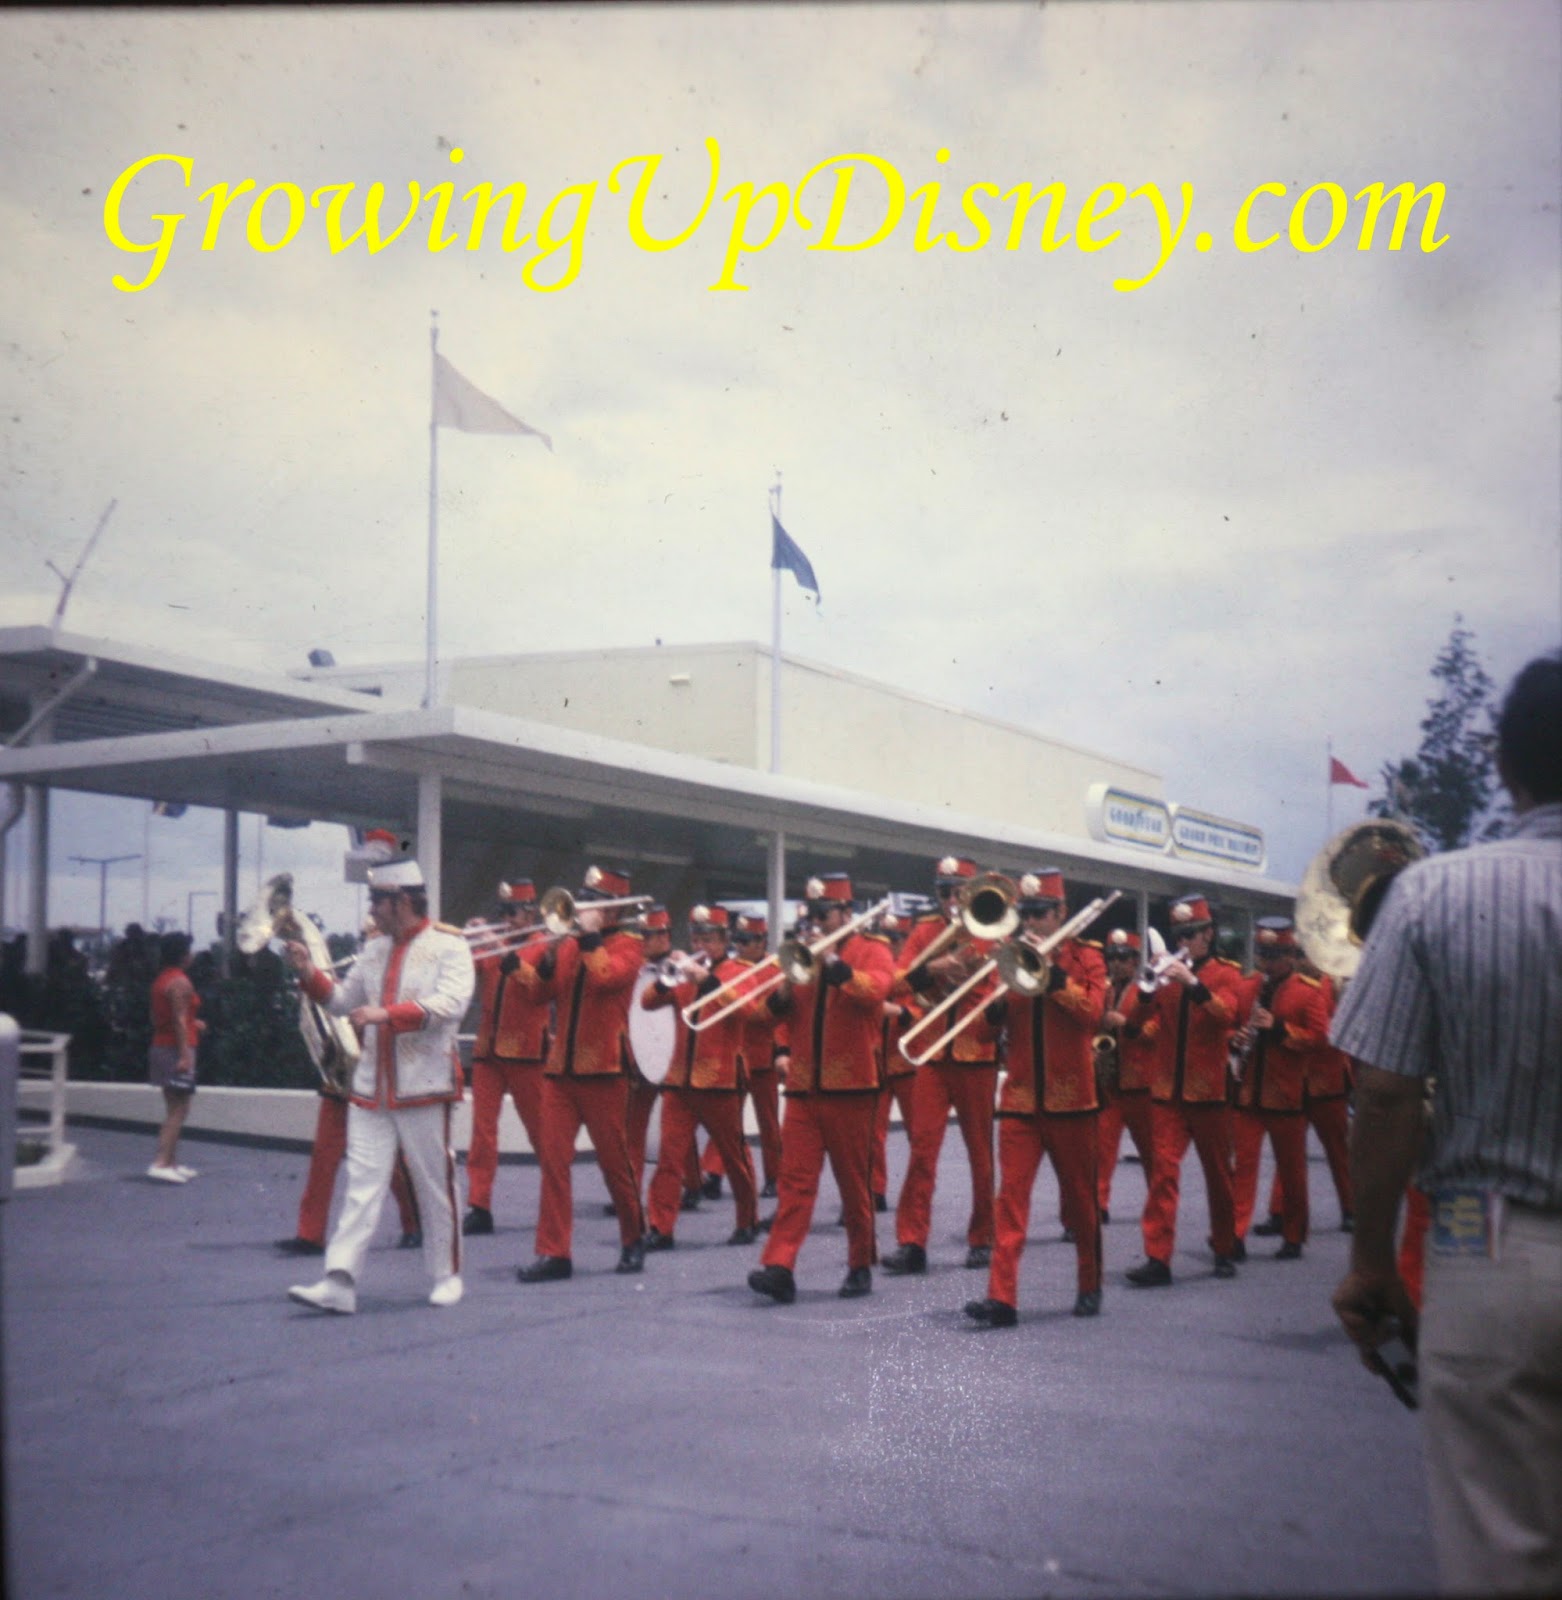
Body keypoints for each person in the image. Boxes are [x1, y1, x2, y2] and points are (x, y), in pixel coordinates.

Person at [1330, 650, 1562, 1595]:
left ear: (1503, 764)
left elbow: (1385, 1095)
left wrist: (1371, 1260)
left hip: (1487, 1242)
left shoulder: (1432, 893)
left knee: (1503, 1550)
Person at [283, 859, 474, 1314]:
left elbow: (451, 1005)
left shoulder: (450, 945)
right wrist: (308, 972)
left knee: (434, 1182)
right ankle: (339, 1280)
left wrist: (385, 1015)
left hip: (424, 1083)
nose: (371, 910)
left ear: (402, 901)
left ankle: (446, 1275)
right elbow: (342, 1001)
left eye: (377, 901)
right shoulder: (373, 949)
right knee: (362, 1185)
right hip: (372, 1087)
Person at [964, 869, 1108, 1325]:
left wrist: (1053, 976)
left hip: (1072, 1101)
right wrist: (998, 1005)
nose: (1030, 923)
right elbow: (981, 1034)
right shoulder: (1009, 957)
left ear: (1061, 913)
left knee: (1081, 1201)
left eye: (1040, 914)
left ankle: (1089, 1283)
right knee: (1010, 1201)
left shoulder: (1087, 958)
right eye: (1025, 914)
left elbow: (1093, 1014)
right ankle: (1001, 1298)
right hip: (1021, 1100)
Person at [749, 873, 895, 1302]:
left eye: (824, 913)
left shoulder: (873, 948)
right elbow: (765, 1018)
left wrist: (835, 964)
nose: (816, 921)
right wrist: (783, 990)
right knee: (794, 1183)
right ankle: (779, 1266)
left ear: (847, 913)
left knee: (854, 1185)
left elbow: (875, 991)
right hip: (803, 1088)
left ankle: (860, 1262)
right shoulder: (802, 954)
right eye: (812, 913)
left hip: (851, 1087)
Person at [514, 865, 647, 1282]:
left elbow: (606, 978)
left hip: (604, 1069)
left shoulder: (630, 945)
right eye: (582, 900)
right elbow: (539, 995)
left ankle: (633, 1236)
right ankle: (554, 1252)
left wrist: (588, 937)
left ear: (613, 909)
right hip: (561, 1071)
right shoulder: (572, 945)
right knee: (553, 1162)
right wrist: (550, 955)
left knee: (614, 1163)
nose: (583, 908)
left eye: (593, 902)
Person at [883, 855, 1001, 1277]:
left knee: (980, 1153)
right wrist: (931, 968)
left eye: (958, 892)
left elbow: (1003, 991)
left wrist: (973, 979)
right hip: (933, 1053)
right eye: (944, 892)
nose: (951, 900)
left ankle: (983, 1236)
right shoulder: (925, 931)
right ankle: (912, 1242)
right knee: (921, 1149)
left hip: (975, 1053)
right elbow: (895, 982)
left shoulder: (993, 931)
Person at [1124, 893, 1245, 1287]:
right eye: (1180, 935)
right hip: (1167, 1091)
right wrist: (1147, 987)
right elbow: (1137, 1022)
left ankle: (1224, 1246)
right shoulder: (1167, 974)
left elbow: (1226, 1014)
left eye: (1191, 934)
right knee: (1162, 1172)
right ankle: (1157, 1257)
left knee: (1219, 1176)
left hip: (1209, 1092)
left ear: (1208, 934)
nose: (1184, 942)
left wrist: (1192, 983)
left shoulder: (1227, 974)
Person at [641, 905, 763, 1249]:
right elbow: (648, 1002)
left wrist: (705, 980)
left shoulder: (740, 970)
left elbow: (747, 1009)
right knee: (668, 1158)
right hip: (679, 1080)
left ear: (724, 940)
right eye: (696, 939)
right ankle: (661, 1228)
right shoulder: (682, 973)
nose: (701, 946)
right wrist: (667, 978)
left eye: (708, 940)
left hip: (720, 1080)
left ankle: (748, 1220)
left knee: (734, 1157)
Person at [1229, 917, 1329, 1260]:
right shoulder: (1247, 987)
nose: (1267, 963)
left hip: (1286, 1095)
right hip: (1248, 1093)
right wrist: (1235, 1037)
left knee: (1292, 1171)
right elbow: (1229, 1026)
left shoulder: (1307, 991)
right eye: (1263, 955)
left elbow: (1320, 1039)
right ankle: (1234, 1234)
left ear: (1290, 956)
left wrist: (1280, 1029)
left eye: (1274, 956)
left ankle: (1293, 1234)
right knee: (1241, 1169)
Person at [463, 878, 552, 1236]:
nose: (506, 919)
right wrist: (465, 943)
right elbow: (467, 973)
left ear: (530, 913)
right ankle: (479, 1205)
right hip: (488, 1050)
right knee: (482, 1133)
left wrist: (494, 943)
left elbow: (533, 983)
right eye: (502, 912)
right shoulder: (494, 943)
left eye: (512, 912)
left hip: (527, 1052)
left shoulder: (542, 944)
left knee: (540, 1132)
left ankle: (555, 1195)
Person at [1095, 929, 1158, 1221]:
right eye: (1112, 958)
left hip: (1141, 1083)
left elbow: (1156, 1031)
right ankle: (1099, 1204)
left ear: (1135, 960)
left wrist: (1124, 1023)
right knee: (1101, 1148)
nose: (1116, 963)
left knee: (1150, 1151)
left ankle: (1158, 1203)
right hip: (1110, 1081)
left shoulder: (1146, 990)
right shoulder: (1104, 990)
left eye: (1123, 958)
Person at [147, 932, 204, 1183]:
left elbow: (163, 1017)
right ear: (183, 955)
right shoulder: (180, 982)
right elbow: (179, 1020)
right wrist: (184, 1055)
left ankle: (170, 1162)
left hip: (163, 1045)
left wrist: (194, 1023)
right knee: (177, 1109)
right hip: (175, 1049)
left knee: (178, 1107)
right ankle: (161, 1163)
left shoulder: (162, 979)